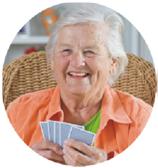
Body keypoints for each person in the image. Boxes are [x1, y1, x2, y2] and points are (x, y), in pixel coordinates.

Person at [7, 3, 152, 166]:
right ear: (52, 60)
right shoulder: (18, 112)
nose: (77, 62)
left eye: (89, 52)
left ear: (112, 63)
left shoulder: (142, 119)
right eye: (66, 51)